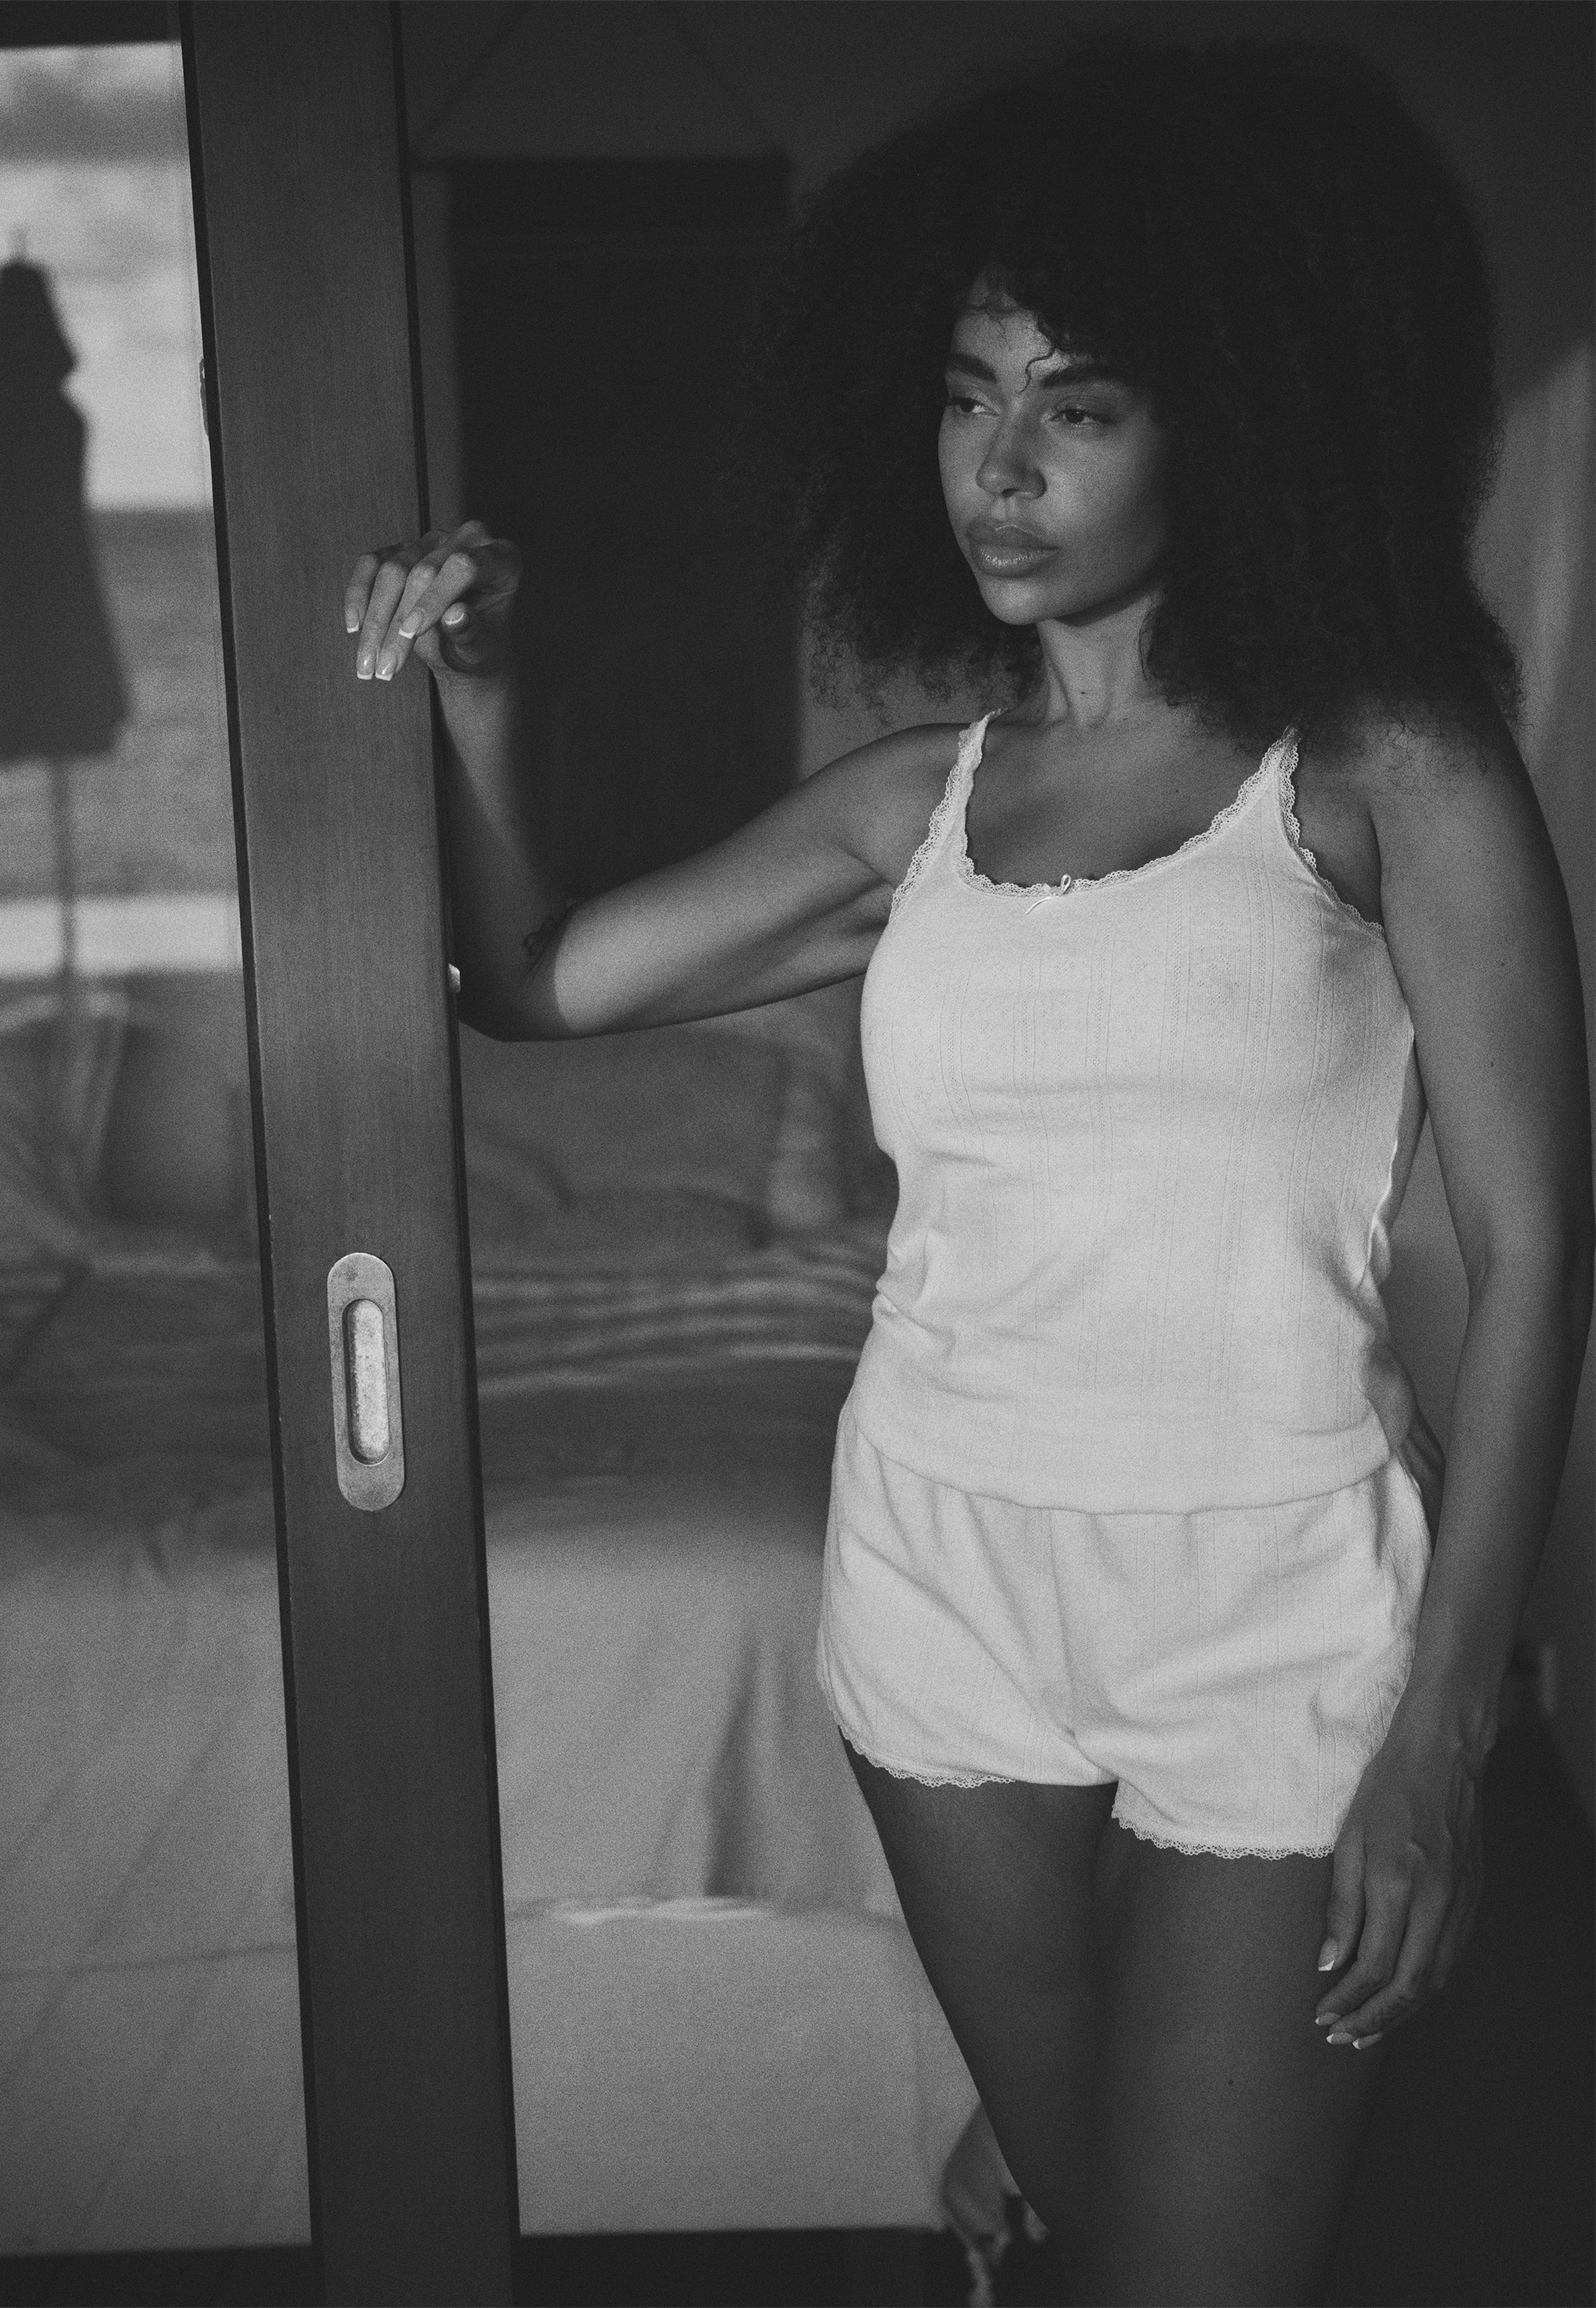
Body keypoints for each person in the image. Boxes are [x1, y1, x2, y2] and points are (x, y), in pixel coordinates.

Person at [345, 36, 1592, 2303]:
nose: (998, 468)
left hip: (1275, 1605)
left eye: (1076, 406)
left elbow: (1532, 1243)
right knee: (1098, 2227)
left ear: (1232, 420)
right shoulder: (912, 803)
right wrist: (486, 692)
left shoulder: (1382, 758)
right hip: (941, 1579)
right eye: (962, 394)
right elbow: (528, 982)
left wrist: (1444, 1725)